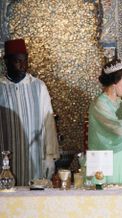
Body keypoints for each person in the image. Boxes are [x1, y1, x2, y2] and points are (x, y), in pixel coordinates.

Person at [0, 39, 59, 186]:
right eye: (17, 61)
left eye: (25, 61)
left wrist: (50, 156)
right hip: (5, 163)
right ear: (6, 62)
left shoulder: (38, 86)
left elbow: (48, 122)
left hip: (35, 159)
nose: (23, 66)